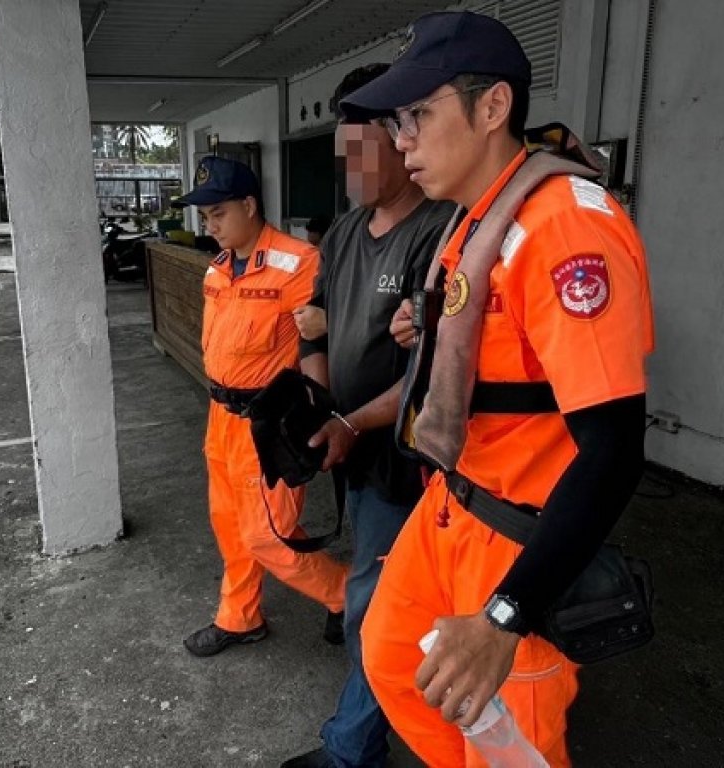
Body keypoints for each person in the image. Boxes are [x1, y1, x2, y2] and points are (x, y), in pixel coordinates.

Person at [339, 11, 654, 767]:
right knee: (391, 659)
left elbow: (614, 453)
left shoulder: (567, 230)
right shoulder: (475, 219)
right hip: (451, 504)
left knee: (507, 741)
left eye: (419, 114)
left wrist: (508, 615)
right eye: (397, 119)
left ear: (491, 108)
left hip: (515, 536)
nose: (401, 137)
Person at [283, 64, 455, 768]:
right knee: (386, 599)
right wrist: (322, 408)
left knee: (378, 609)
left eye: (363, 147)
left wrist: (354, 425)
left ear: (402, 139)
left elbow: (433, 372)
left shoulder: (440, 231)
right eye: (341, 151)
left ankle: (353, 750)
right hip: (351, 450)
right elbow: (314, 330)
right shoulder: (348, 231)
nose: (349, 167)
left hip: (406, 463)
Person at [172, 156, 348, 658]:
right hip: (220, 418)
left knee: (267, 536)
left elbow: (331, 337)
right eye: (205, 216)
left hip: (267, 424)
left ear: (250, 205)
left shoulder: (300, 264)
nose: (210, 225)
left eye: (219, 213)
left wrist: (326, 414)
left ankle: (349, 595)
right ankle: (240, 616)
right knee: (230, 525)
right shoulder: (217, 270)